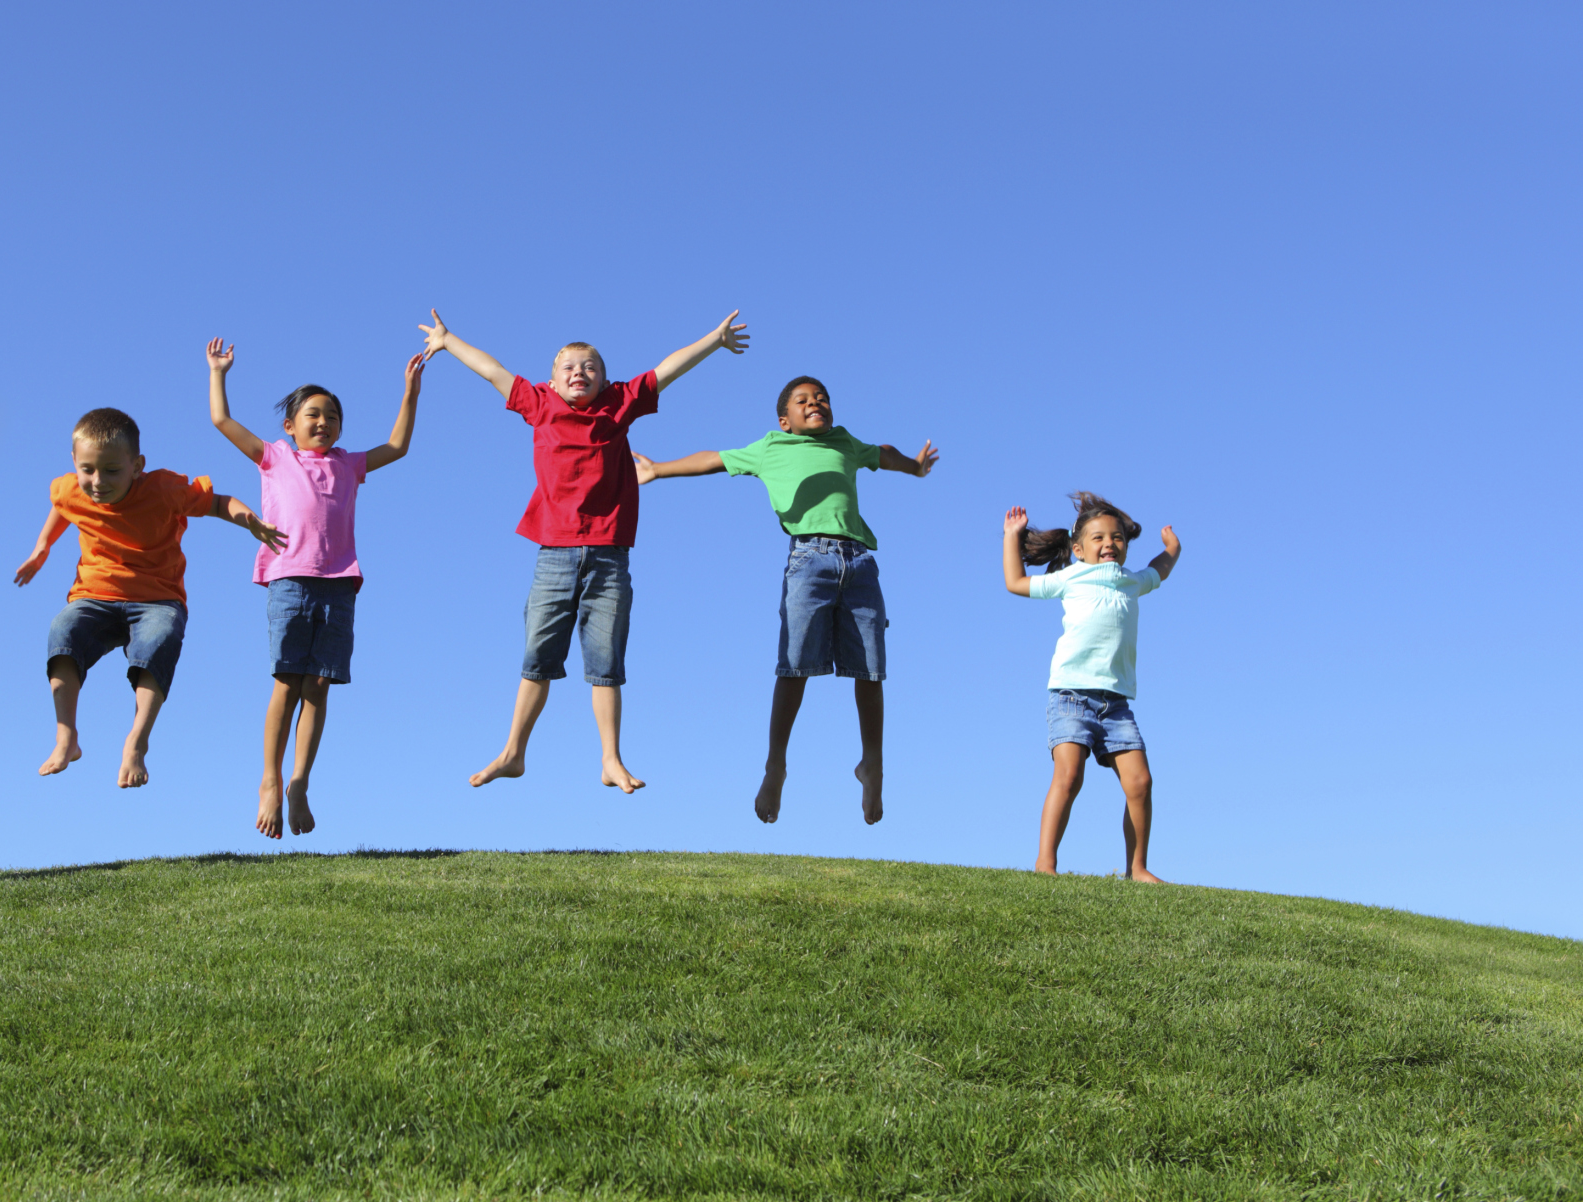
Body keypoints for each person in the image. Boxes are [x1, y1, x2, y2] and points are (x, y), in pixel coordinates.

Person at [420, 307, 749, 792]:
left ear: (606, 380)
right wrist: (448, 341)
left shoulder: (619, 403)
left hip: (609, 555)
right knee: (538, 657)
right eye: (569, 367)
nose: (580, 372)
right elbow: (492, 370)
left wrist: (714, 340)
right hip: (554, 553)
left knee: (606, 662)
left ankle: (610, 760)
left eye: (590, 366)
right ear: (552, 381)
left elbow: (667, 369)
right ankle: (513, 753)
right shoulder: (539, 403)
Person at [635, 375, 938, 825]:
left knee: (870, 669)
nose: (816, 403)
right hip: (808, 562)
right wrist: (658, 468)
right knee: (794, 665)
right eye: (803, 400)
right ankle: (775, 765)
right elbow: (714, 458)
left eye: (822, 398)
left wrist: (914, 467)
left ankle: (871, 763)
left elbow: (883, 453)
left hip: (859, 563)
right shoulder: (771, 447)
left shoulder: (844, 442)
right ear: (785, 420)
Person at [206, 338, 427, 839]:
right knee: (287, 681)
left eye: (332, 416)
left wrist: (409, 392)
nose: (323, 422)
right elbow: (222, 421)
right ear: (290, 425)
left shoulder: (348, 464)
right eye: (313, 414)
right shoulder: (275, 457)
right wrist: (218, 373)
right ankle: (270, 779)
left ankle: (299, 782)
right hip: (289, 579)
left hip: (339, 585)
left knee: (319, 686)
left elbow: (397, 447)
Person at [14, 406, 283, 789]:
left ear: (137, 466)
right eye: (88, 469)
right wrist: (42, 547)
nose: (97, 481)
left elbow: (218, 502)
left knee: (159, 639)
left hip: (157, 600)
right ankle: (66, 736)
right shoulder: (70, 488)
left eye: (111, 471)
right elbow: (63, 506)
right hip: (95, 596)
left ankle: (137, 741)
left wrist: (249, 520)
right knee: (63, 631)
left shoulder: (163, 490)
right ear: (74, 461)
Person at [1001, 493, 1182, 883]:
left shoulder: (1132, 581)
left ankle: (1137, 869)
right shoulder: (1071, 577)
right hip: (1071, 697)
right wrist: (1011, 537)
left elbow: (1159, 570)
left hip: (1116, 705)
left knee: (1141, 782)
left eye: (1117, 537)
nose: (1109, 543)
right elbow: (1015, 582)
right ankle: (1045, 864)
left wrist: (1172, 549)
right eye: (1098, 538)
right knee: (1069, 776)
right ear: (1078, 549)